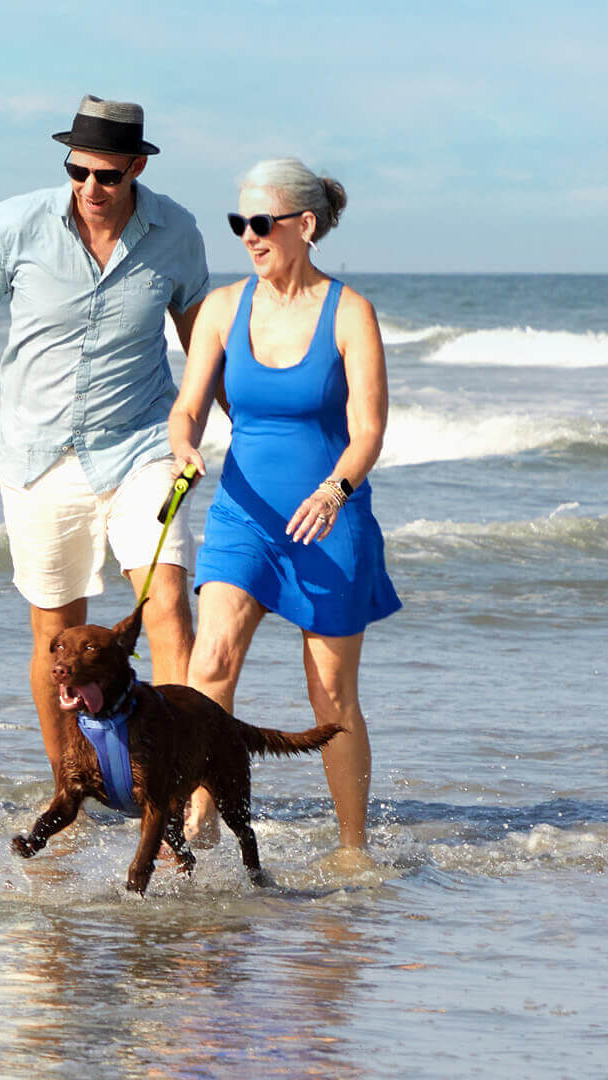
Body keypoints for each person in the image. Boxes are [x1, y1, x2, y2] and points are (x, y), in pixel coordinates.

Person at [0, 95, 220, 842]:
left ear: (137, 167)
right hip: (37, 456)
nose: (91, 186)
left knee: (166, 604)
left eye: (107, 175)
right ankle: (72, 787)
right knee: (56, 633)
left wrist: (230, 429)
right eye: (78, 170)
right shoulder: (18, 222)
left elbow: (202, 342)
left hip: (142, 445)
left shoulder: (177, 232)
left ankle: (180, 789)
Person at [167, 158, 401, 865]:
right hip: (244, 516)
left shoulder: (350, 312)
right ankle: (202, 818)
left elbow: (369, 432)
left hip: (329, 521)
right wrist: (184, 446)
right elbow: (188, 408)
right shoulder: (222, 308)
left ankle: (352, 848)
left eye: (261, 222)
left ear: (304, 225)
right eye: (238, 222)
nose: (248, 235)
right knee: (210, 660)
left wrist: (334, 492)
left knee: (330, 693)